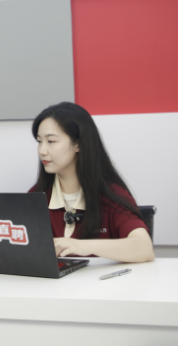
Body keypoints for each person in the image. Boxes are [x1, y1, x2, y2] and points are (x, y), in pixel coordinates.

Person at [30, 102, 154, 263]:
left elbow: (144, 248)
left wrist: (81, 246)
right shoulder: (36, 196)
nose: (42, 151)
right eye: (39, 141)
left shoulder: (110, 195)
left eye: (51, 141)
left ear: (78, 144)